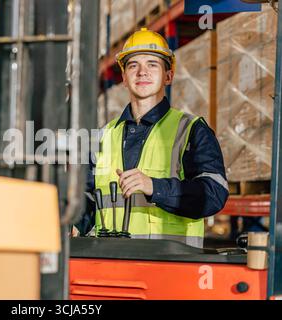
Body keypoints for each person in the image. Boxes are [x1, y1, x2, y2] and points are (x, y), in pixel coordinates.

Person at [75, 28, 229, 248]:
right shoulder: (102, 137)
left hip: (169, 266)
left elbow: (214, 195)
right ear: (125, 78)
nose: (142, 72)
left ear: (169, 76)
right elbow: (90, 199)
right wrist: (75, 222)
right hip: (111, 264)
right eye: (133, 65)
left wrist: (154, 187)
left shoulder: (191, 130)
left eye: (152, 64)